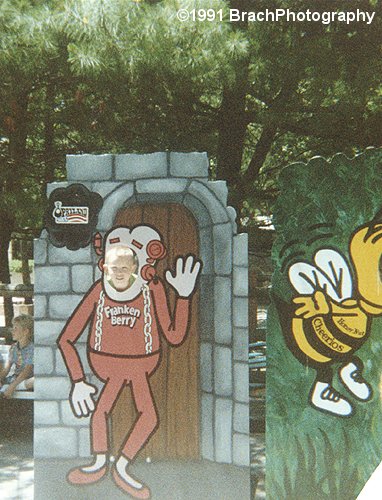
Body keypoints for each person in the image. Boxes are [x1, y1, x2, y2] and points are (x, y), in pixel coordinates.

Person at [58, 225, 201, 499]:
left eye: (127, 265)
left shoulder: (152, 289)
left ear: (139, 267)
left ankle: (122, 467)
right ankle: (99, 463)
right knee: (100, 411)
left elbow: (174, 335)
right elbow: (66, 339)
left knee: (149, 416)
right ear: (104, 266)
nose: (120, 272)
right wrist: (77, 381)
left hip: (140, 364)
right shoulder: (98, 292)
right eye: (114, 266)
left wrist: (184, 297)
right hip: (106, 363)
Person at [0, 314, 34, 398]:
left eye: (16, 328)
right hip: (15, 378)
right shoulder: (14, 348)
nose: (12, 331)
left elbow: (27, 371)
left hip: (27, 379)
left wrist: (12, 386)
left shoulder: (32, 348)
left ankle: (12, 388)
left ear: (26, 331)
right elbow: (7, 369)